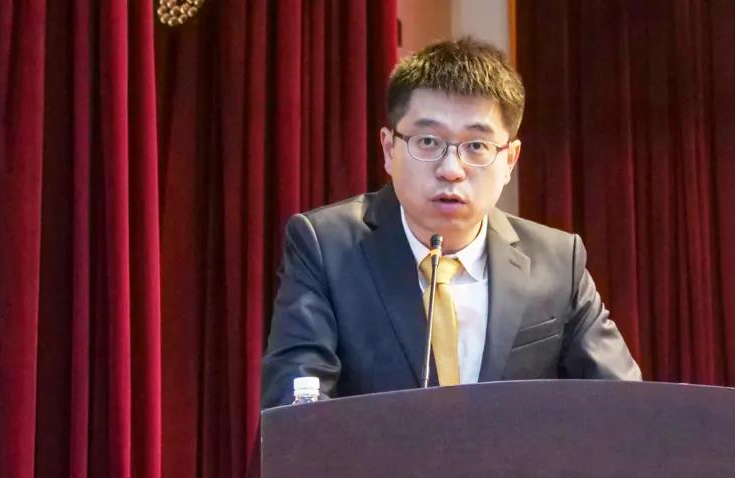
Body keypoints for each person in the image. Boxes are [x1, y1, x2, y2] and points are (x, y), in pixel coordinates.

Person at [261, 38, 640, 408]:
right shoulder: (326, 248)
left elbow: (627, 408)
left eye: (476, 146)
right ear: (389, 149)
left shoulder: (557, 262)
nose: (451, 169)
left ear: (509, 161)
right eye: (428, 141)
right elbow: (295, 408)